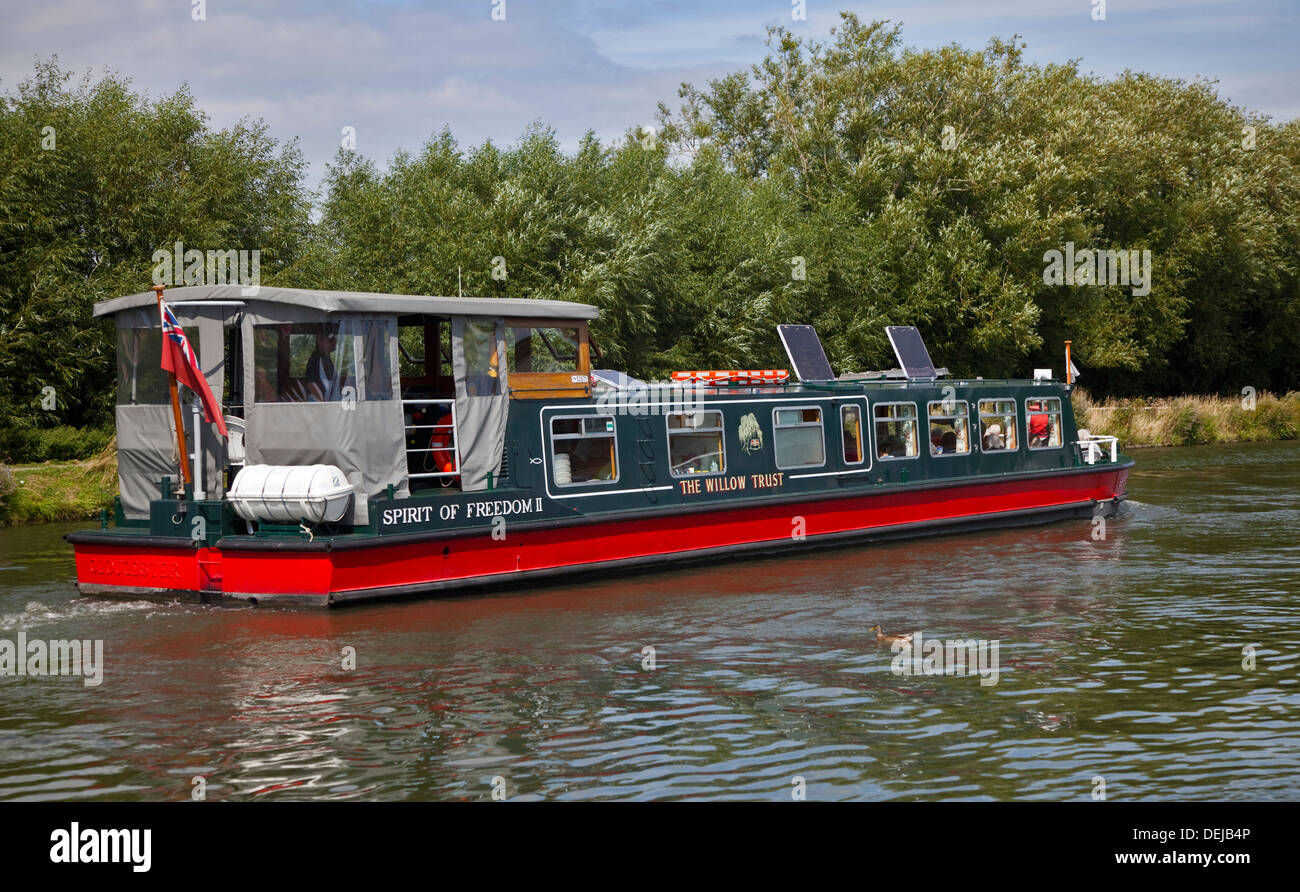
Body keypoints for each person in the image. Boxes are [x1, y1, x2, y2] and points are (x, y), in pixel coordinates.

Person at [305, 326, 337, 401]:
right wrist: (323, 402)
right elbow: (310, 383)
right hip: (319, 406)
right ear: (319, 340)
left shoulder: (326, 358)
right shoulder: (315, 359)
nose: (335, 342)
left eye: (334, 339)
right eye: (331, 340)